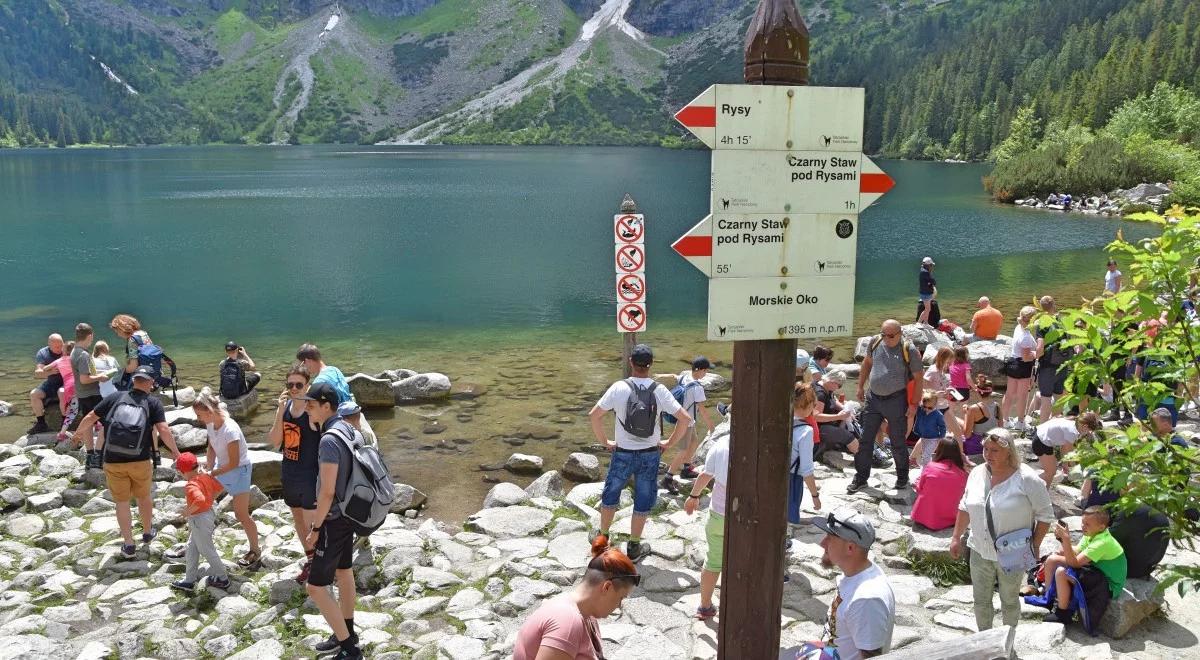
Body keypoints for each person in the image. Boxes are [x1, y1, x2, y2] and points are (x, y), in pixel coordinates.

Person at [589, 344, 690, 560]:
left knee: (611, 493)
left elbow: (594, 415)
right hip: (650, 454)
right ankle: (634, 547)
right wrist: (669, 443)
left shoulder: (619, 387)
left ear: (631, 363)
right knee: (643, 497)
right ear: (650, 365)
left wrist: (606, 441)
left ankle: (602, 540)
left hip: (623, 452)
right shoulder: (659, 390)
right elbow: (685, 419)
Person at [73, 365, 181, 559]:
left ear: (133, 380)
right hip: (140, 460)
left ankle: (129, 545)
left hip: (113, 460)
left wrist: (78, 434)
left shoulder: (115, 398)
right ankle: (147, 533)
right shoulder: (153, 403)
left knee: (121, 502)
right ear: (150, 383)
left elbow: (90, 417)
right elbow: (164, 430)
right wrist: (176, 452)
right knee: (144, 497)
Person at [950, 429, 1053, 631]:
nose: (988, 454)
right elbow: (965, 506)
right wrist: (956, 537)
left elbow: (1045, 515)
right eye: (986, 449)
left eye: (995, 450)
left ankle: (1008, 643)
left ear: (1009, 452)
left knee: (1009, 600)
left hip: (1013, 552)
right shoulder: (977, 473)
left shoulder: (1026, 478)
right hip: (979, 549)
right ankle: (985, 642)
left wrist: (1035, 545)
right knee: (980, 601)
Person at [299, 382, 366, 659]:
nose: (307, 410)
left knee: (315, 587)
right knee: (344, 571)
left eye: (311, 405)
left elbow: (326, 491)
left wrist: (315, 528)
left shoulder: (328, 440)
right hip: (350, 514)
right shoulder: (350, 429)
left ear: (327, 406)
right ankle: (346, 632)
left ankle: (350, 649)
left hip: (333, 520)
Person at [513, 535, 639, 659]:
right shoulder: (567, 622)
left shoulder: (588, 617)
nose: (619, 606)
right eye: (621, 598)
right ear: (606, 587)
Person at [852, 320, 923, 493]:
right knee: (865, 440)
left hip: (896, 400)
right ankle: (861, 478)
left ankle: (902, 478)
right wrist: (860, 386)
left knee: (898, 442)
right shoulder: (876, 341)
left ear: (900, 333)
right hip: (873, 398)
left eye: (890, 336)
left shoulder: (909, 350)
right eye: (884, 334)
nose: (886, 338)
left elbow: (919, 378)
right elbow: (867, 363)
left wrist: (913, 404)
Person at [814, 510, 896, 659]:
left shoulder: (866, 599)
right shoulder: (859, 572)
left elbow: (871, 658)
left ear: (850, 548)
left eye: (829, 538)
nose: (822, 543)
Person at [193, 388, 260, 568]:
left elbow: (234, 462)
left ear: (210, 411)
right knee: (200, 503)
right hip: (221, 468)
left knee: (241, 514)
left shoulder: (231, 430)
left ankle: (255, 550)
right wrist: (208, 464)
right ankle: (193, 546)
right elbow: (212, 446)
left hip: (239, 471)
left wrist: (212, 473)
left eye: (200, 415)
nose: (199, 419)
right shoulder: (211, 422)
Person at [1032, 507, 1127, 628]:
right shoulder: (1091, 534)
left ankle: (1063, 614)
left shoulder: (1103, 542)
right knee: (1052, 560)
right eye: (1082, 522)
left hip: (1108, 584)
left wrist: (1066, 539)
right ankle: (1048, 598)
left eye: (1087, 524)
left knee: (1062, 572)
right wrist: (1063, 544)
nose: (1083, 526)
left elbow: (1075, 563)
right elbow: (1076, 551)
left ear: (1101, 527)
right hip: (1095, 571)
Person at [269, 364, 321, 583]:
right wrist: (280, 411)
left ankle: (321, 564)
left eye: (299, 384)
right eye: (290, 385)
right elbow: (274, 441)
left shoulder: (312, 409)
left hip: (310, 475)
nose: (294, 389)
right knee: (298, 520)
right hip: (289, 472)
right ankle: (311, 561)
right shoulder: (286, 408)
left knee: (312, 524)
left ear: (307, 385)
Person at [683, 428, 729, 620]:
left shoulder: (722, 444)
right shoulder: (760, 446)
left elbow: (705, 475)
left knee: (713, 561)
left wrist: (693, 496)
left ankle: (705, 605)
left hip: (718, 515)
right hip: (749, 519)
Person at [169, 451, 231, 591]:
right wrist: (210, 498)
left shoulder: (191, 485)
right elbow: (220, 487)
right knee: (192, 548)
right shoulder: (205, 476)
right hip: (207, 514)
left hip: (199, 519)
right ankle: (189, 580)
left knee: (206, 549)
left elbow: (200, 499)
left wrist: (187, 512)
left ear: (181, 471)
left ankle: (223, 578)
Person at [661, 357, 715, 492]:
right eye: (705, 371)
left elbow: (675, 375)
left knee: (694, 442)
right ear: (699, 370)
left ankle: (686, 468)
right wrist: (711, 426)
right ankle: (668, 478)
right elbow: (702, 408)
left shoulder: (684, 377)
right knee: (683, 450)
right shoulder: (697, 387)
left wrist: (663, 375)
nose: (705, 373)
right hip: (686, 422)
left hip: (684, 419)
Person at [71, 324, 111, 468]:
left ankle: (90, 454)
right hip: (92, 394)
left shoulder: (74, 351)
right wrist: (100, 377)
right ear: (90, 336)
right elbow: (84, 379)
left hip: (81, 394)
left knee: (88, 422)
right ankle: (99, 455)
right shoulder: (83, 354)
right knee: (109, 422)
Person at [1031, 412, 1102, 487]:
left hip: (1041, 436)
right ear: (1085, 426)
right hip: (1041, 441)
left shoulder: (1073, 423)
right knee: (1050, 472)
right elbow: (1071, 456)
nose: (1088, 433)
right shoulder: (1072, 432)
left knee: (1051, 471)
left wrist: (1065, 465)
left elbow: (1064, 448)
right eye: (1089, 430)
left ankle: (1044, 492)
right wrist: (1075, 471)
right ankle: (1030, 485)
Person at [912, 439, 968, 531]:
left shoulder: (930, 466)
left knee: (916, 478)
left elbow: (919, 488)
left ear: (939, 450)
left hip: (923, 517)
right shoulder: (964, 474)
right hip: (951, 519)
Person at [789, 383, 822, 528]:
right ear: (808, 405)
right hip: (792, 479)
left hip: (770, 475)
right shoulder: (806, 431)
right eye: (814, 405)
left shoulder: (780, 421)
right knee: (786, 519)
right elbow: (807, 470)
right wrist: (815, 497)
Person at [813, 370, 866, 460]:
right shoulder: (820, 394)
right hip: (818, 428)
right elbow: (816, 417)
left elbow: (833, 400)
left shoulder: (824, 386)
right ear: (832, 381)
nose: (838, 388)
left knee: (857, 418)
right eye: (839, 385)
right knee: (847, 436)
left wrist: (844, 409)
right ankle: (865, 458)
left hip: (827, 423)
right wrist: (839, 417)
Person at [1000, 306, 1038, 432]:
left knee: (1009, 393)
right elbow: (1026, 357)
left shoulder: (1018, 327)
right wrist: (1038, 353)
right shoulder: (1026, 336)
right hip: (1023, 366)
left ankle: (1005, 420)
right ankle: (1020, 422)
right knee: (1023, 396)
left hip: (1012, 363)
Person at [1034, 296, 1066, 422]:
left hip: (1048, 365)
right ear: (1054, 305)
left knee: (1046, 397)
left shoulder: (1042, 323)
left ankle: (1042, 428)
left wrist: (1034, 356)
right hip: (1063, 364)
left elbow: (1040, 347)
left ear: (1041, 308)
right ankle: (1056, 425)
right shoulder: (1061, 321)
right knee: (1059, 396)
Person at [27, 333, 64, 435]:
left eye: (61, 345)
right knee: (34, 394)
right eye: (56, 347)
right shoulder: (43, 353)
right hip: (51, 383)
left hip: (65, 383)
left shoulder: (67, 350)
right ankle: (41, 423)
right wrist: (51, 372)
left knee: (62, 392)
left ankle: (64, 423)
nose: (60, 348)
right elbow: (37, 373)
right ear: (49, 345)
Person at [109, 314, 151, 389]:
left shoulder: (132, 340)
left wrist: (121, 372)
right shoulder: (143, 333)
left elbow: (133, 367)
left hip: (141, 379)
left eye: (117, 331)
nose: (118, 335)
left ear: (122, 329)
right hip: (151, 374)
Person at [960, 382, 1000, 456]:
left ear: (977, 392)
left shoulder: (973, 408)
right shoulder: (997, 406)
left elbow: (967, 435)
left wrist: (966, 413)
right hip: (993, 442)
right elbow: (1001, 429)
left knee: (957, 435)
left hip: (978, 446)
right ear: (991, 392)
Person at [909, 392, 948, 468]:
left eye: (930, 408)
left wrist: (941, 437)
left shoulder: (938, 415)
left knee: (926, 456)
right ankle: (928, 469)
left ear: (935, 405)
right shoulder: (921, 410)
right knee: (925, 454)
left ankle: (925, 471)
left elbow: (942, 427)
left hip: (934, 438)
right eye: (925, 407)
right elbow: (919, 402)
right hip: (924, 437)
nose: (926, 409)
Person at [917, 257, 937, 326]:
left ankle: (925, 323)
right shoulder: (925, 273)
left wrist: (930, 282)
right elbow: (933, 281)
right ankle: (919, 323)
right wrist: (931, 282)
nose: (932, 266)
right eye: (931, 265)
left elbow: (930, 281)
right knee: (927, 309)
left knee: (928, 309)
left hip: (925, 292)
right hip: (926, 293)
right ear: (928, 265)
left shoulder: (923, 271)